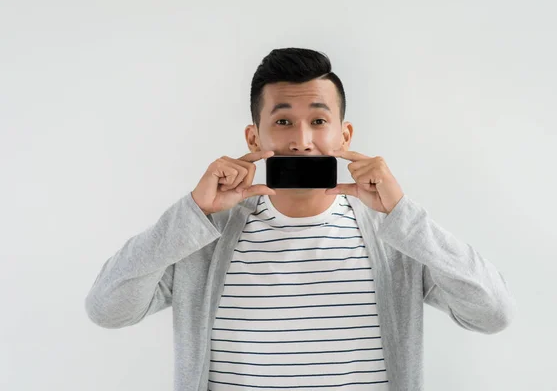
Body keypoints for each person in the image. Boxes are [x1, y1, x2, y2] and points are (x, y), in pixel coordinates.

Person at [85, 47, 516, 391]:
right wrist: (192, 214)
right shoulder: (201, 238)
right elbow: (108, 310)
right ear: (255, 137)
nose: (302, 140)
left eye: (319, 120)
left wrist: (404, 216)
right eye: (284, 120)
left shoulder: (396, 238)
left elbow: (492, 313)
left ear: (344, 135)